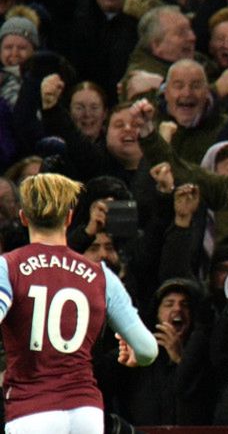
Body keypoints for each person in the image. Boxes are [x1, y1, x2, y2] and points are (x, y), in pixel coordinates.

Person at [0, 173, 157, 433]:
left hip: (30, 411)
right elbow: (148, 350)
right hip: (87, 414)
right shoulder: (101, 275)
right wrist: (135, 354)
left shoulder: (9, 267)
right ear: (70, 218)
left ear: (23, 217)